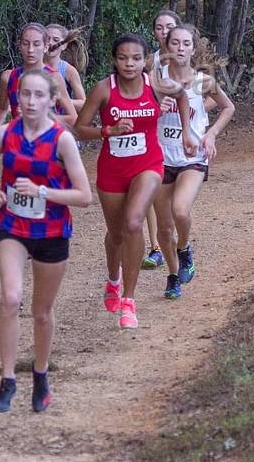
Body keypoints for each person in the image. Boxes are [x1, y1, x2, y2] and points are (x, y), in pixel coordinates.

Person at [0, 69, 93, 413]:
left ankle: (41, 374)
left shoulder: (62, 140)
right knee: (11, 297)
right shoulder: (4, 133)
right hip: (12, 225)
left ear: (52, 99)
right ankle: (8, 378)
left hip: (52, 230)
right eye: (25, 94)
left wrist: (43, 191)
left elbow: (85, 195)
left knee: (41, 313)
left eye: (38, 95)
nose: (30, 101)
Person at [74, 34, 189, 330]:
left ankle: (129, 300)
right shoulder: (103, 90)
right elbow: (80, 128)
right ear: (115, 60)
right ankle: (114, 279)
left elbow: (182, 95)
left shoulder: (155, 84)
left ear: (145, 61)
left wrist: (187, 132)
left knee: (134, 222)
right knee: (116, 235)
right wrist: (108, 131)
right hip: (112, 170)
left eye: (136, 58)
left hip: (148, 163)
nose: (130, 64)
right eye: (123, 58)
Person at [154, 24, 235, 299]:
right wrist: (156, 108)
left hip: (192, 155)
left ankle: (185, 248)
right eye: (174, 43)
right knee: (164, 229)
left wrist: (211, 134)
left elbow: (228, 107)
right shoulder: (154, 79)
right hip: (160, 156)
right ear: (166, 46)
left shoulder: (203, 81)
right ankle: (173, 275)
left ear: (193, 48)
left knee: (180, 211)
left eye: (185, 44)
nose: (180, 48)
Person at [141, 9, 182, 272]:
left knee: (174, 196)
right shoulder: (148, 61)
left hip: (180, 137)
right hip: (152, 131)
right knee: (151, 189)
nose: (164, 31)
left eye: (169, 26)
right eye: (159, 27)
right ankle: (156, 247)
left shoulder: (189, 60)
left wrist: (196, 122)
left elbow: (209, 97)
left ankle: (174, 239)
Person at [0, 23, 77, 128]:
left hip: (47, 140)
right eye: (25, 43)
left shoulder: (53, 77)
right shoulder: (9, 77)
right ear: (19, 46)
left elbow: (73, 118)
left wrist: (39, 118)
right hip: (18, 140)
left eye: (36, 44)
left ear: (45, 47)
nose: (30, 50)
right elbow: (1, 109)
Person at [44, 23, 87, 115]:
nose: (51, 42)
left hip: (61, 125)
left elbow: (83, 105)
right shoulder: (33, 67)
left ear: (64, 45)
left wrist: (62, 100)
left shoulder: (68, 71)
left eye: (56, 40)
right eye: (47, 39)